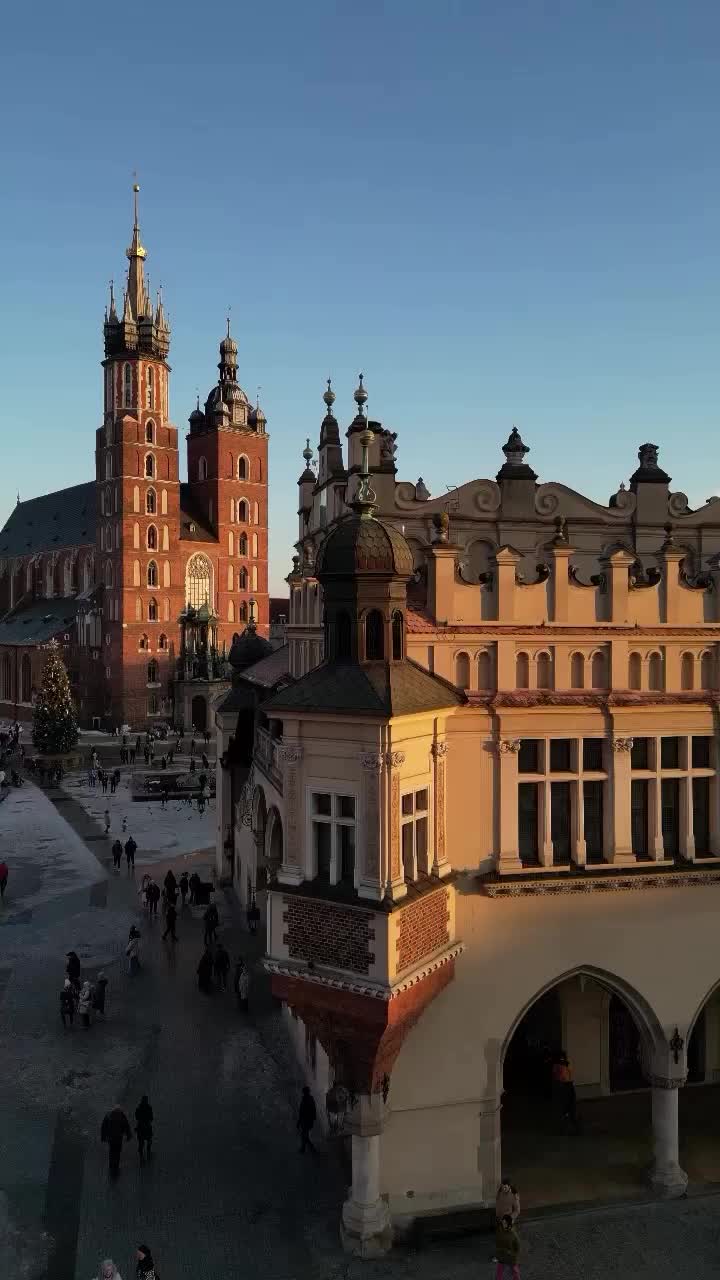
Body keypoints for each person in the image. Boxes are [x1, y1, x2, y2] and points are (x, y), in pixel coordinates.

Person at [100, 1105, 132, 1177]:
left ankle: (111, 1165)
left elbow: (104, 1126)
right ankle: (116, 1166)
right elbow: (126, 1125)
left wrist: (103, 1137)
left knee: (111, 1151)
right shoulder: (121, 1115)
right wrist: (128, 1135)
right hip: (118, 1137)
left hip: (111, 1137)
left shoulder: (108, 1115)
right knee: (117, 1151)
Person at [495, 1214, 521, 1280]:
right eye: (503, 1222)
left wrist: (511, 1254)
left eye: (505, 1223)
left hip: (511, 1258)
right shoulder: (500, 1231)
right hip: (502, 1256)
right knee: (499, 1272)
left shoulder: (513, 1235)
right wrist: (498, 1252)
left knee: (515, 1272)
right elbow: (498, 1242)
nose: (503, 1224)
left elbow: (517, 1248)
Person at [297, 1085, 317, 1153]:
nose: (304, 1093)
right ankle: (306, 1148)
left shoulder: (307, 1099)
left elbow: (303, 1111)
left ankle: (308, 1149)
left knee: (304, 1135)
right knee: (305, 1135)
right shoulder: (309, 1099)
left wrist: (299, 1121)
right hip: (306, 1120)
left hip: (306, 1120)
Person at [135, 1095, 154, 1162]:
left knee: (141, 1141)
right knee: (149, 1140)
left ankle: (141, 1154)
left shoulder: (139, 1108)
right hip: (147, 1126)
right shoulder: (149, 1108)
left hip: (140, 1127)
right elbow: (151, 1118)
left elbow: (136, 1117)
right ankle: (148, 1151)